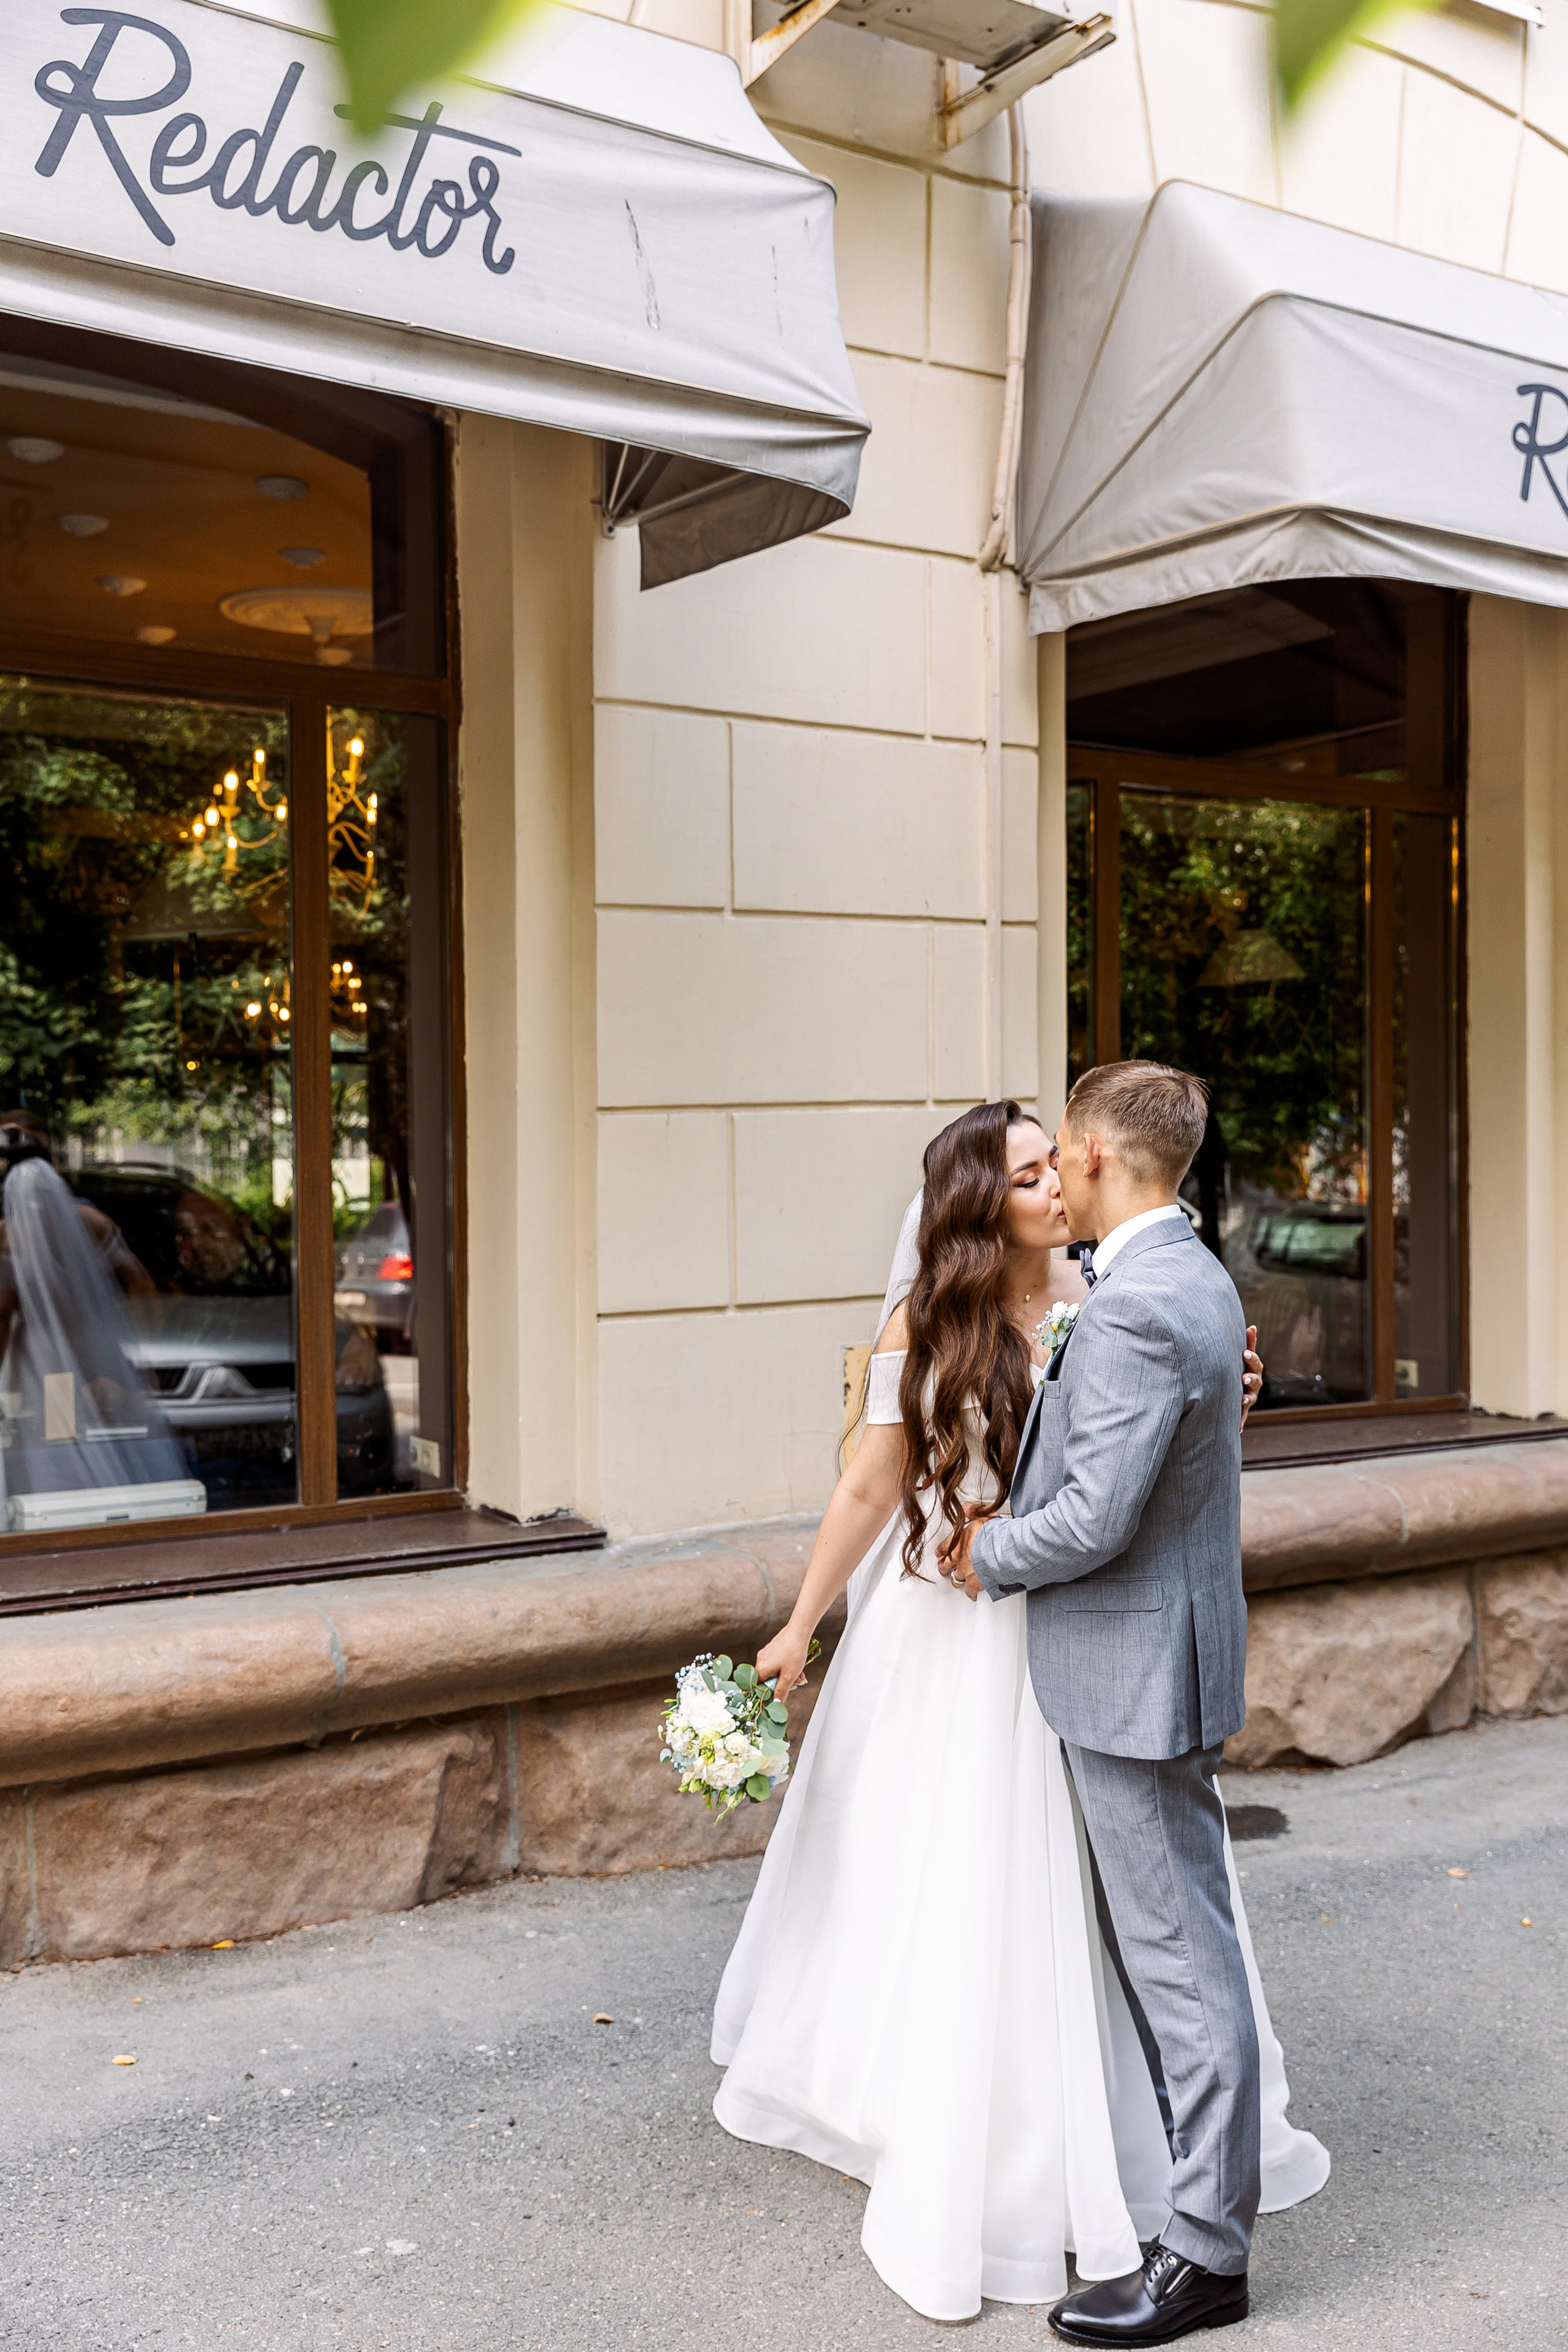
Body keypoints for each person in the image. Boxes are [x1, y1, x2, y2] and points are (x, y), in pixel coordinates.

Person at [710, 1093, 1327, 2327]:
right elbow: (869, 1491)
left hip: (1056, 1618)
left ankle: (1120, 2150)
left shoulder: (1118, 1300)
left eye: (1057, 1164)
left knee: (1100, 1904)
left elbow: (1134, 1451)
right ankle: (965, 2129)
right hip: (952, 1628)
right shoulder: (929, 1322)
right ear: (982, 1205)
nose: (1052, 1186)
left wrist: (1229, 1380)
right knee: (958, 1883)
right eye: (1028, 1173)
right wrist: (800, 1621)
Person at [944, 1063, 1276, 2342]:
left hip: (1132, 1671)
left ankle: (1202, 2260)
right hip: (1155, 1657)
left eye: (1058, 1154)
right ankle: (1191, 2211)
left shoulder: (1135, 1303)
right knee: (1172, 1956)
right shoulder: (1180, 1272)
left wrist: (991, 1555)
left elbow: (1093, 1512)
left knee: (1179, 1970)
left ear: (1087, 1153)